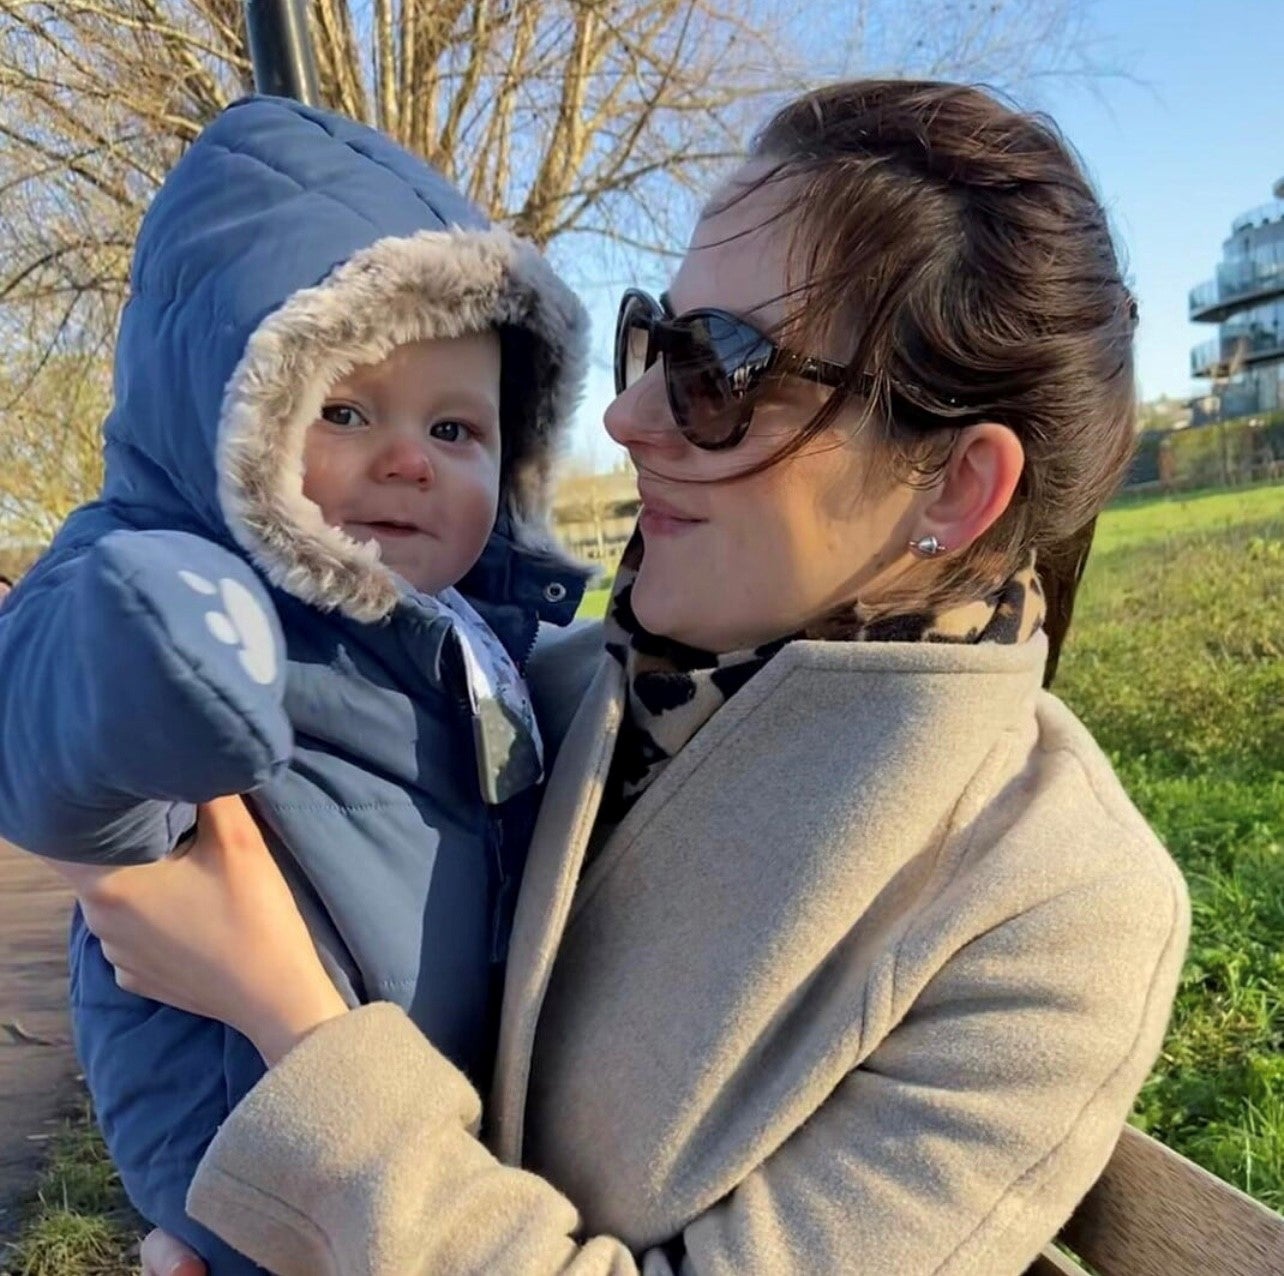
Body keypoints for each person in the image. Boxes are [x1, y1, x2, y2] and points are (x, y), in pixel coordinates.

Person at [69, 80, 1190, 1276]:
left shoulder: (1052, 910)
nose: (626, 415)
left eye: (720, 372)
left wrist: (289, 1021)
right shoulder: (535, 694)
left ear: (957, 487)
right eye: (655, 338)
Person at [0, 96, 588, 1274]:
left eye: (459, 428)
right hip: (255, 1151)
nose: (410, 456)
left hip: (409, 1149)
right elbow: (53, 748)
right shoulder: (190, 587)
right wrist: (162, 646)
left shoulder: (473, 636)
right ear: (231, 417)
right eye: (347, 409)